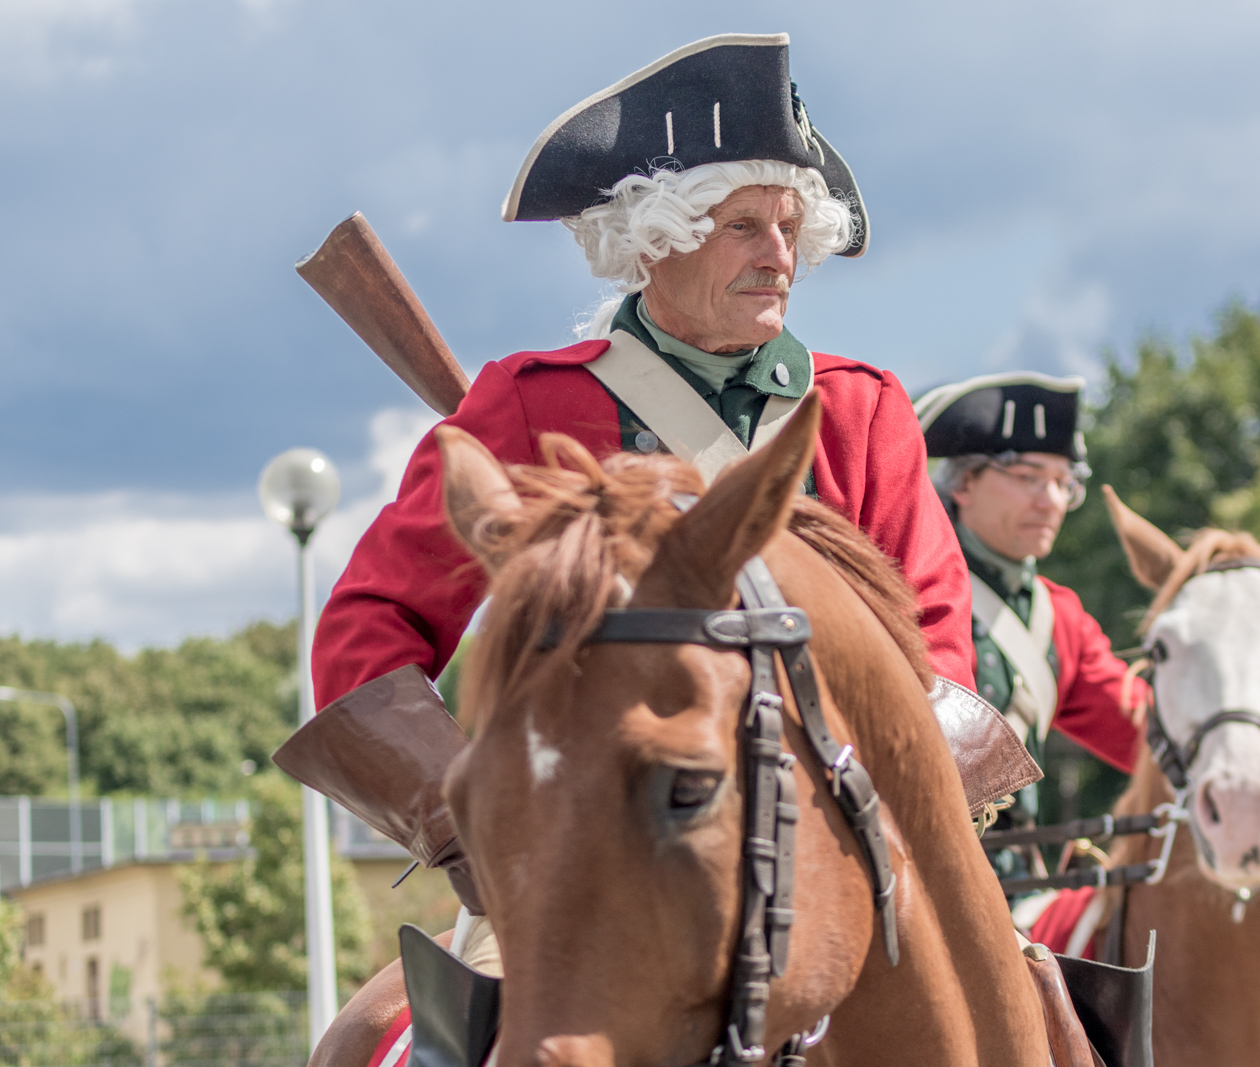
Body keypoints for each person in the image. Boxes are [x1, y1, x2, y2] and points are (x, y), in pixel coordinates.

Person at [274, 34, 973, 925]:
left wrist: (897, 815)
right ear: (654, 240)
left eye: (791, 228)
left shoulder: (861, 410)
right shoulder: (529, 405)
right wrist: (465, 823)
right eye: (743, 227)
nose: (779, 257)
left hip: (841, 851)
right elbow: (366, 630)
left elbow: (938, 644)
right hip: (593, 867)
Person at [916, 372, 1148, 908]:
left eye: (1064, 483)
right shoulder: (906, 585)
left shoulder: (1059, 617)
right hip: (912, 882)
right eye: (1027, 476)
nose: (1051, 501)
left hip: (1016, 893)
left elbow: (1147, 734)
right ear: (963, 482)